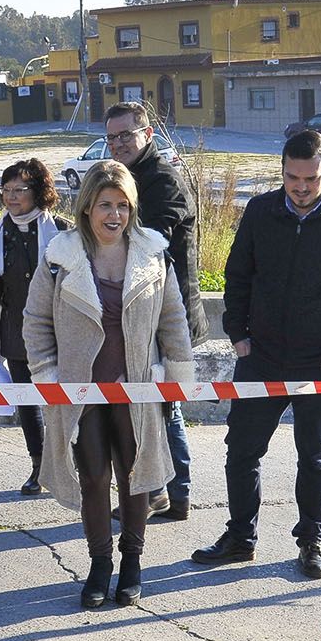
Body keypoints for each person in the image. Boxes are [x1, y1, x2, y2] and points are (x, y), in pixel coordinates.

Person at [191, 130, 321, 581]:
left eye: (310, 179)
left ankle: (311, 542)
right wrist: (238, 333)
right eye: (292, 178)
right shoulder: (260, 212)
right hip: (260, 357)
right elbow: (237, 275)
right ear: (281, 171)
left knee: (314, 458)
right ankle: (240, 537)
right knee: (241, 450)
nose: (300, 188)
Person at [22, 161, 193, 608]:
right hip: (81, 393)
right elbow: (35, 321)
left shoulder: (154, 255)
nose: (114, 215)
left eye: (123, 205)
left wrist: (175, 376)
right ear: (87, 208)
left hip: (136, 389)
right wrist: (49, 377)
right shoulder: (60, 258)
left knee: (137, 478)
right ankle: (100, 564)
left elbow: (173, 320)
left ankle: (132, 563)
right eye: (105, 205)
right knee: (94, 477)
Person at [104, 101, 205, 521]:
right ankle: (163, 492)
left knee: (163, 406)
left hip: (167, 319)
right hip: (142, 316)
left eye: (126, 135)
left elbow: (149, 245)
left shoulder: (162, 180)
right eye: (112, 137)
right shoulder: (126, 180)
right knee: (150, 406)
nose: (118, 144)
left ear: (147, 135)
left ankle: (172, 493)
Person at [0, 159, 71, 495]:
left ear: (39, 192)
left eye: (20, 190)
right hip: (17, 335)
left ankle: (70, 465)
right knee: (28, 405)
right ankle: (39, 466)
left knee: (64, 403)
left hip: (60, 335)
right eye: (7, 190)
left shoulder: (61, 231)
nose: (11, 197)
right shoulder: (0, 234)